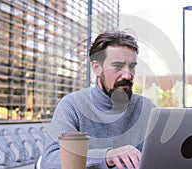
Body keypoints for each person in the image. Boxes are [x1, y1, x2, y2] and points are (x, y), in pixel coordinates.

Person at [40, 30, 156, 169]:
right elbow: (49, 161)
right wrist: (107, 156)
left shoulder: (147, 108)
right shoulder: (72, 106)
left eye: (131, 67)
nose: (128, 75)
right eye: (118, 66)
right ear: (97, 68)